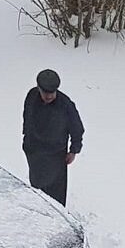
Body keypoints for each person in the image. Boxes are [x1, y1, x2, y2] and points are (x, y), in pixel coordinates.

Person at [22, 69, 84, 206]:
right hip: (34, 153)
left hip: (55, 156)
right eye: (45, 93)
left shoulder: (65, 105)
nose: (49, 96)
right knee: (37, 189)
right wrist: (26, 139)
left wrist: (74, 150)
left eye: (52, 93)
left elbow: (77, 129)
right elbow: (27, 116)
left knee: (55, 195)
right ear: (39, 88)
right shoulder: (32, 96)